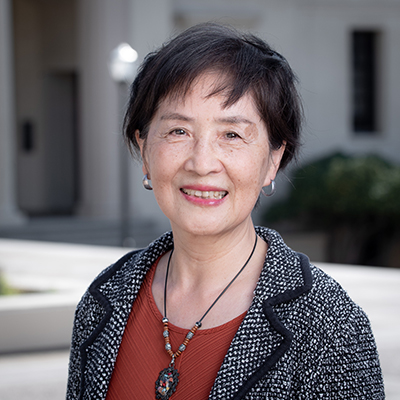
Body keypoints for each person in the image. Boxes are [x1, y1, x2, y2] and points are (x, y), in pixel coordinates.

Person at [66, 23, 384, 400]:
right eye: (178, 131)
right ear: (144, 149)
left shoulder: (329, 325)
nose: (202, 163)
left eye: (231, 134)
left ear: (273, 159)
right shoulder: (106, 298)